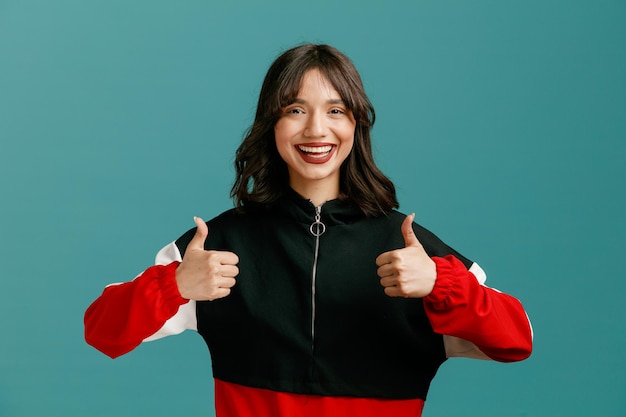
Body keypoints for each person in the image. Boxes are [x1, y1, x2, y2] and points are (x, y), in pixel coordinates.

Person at [84, 43, 532, 417]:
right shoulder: (218, 247)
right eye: (295, 109)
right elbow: (102, 329)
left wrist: (440, 284)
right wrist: (175, 284)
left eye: (336, 110)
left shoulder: (411, 252)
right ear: (272, 124)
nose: (317, 129)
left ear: (356, 124)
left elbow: (515, 340)